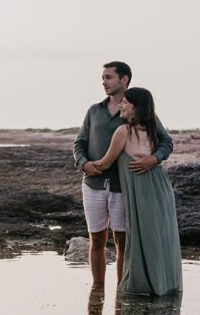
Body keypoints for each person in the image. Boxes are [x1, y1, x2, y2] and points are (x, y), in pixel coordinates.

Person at [73, 62, 173, 286]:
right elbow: (79, 142)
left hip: (124, 187)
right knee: (96, 239)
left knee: (122, 242)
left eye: (108, 77)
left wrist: (153, 159)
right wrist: (83, 163)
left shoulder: (139, 110)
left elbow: (166, 142)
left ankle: (121, 292)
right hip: (93, 184)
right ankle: (97, 291)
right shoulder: (94, 111)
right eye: (103, 77)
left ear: (124, 80)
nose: (103, 82)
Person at [92, 87, 183, 295]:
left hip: (142, 191)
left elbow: (105, 164)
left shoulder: (124, 131)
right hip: (161, 189)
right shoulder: (150, 129)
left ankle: (141, 287)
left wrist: (84, 164)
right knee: (158, 238)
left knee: (141, 237)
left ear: (136, 107)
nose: (121, 105)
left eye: (125, 102)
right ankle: (161, 287)